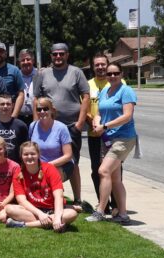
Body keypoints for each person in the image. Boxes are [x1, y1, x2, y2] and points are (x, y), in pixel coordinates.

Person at [33, 43, 90, 207]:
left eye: (61, 54)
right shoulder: (43, 74)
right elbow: (36, 98)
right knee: (45, 160)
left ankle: (77, 198)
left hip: (71, 125)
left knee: (72, 162)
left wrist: (79, 123)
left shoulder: (76, 72)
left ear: (67, 55)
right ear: (50, 56)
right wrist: (37, 121)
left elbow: (85, 97)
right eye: (55, 54)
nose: (58, 57)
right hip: (47, 125)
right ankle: (46, 195)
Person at [86, 63, 138, 224]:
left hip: (123, 138)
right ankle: (123, 214)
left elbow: (127, 116)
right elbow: (99, 112)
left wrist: (106, 126)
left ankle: (100, 211)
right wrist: (96, 122)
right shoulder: (105, 91)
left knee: (103, 171)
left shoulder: (126, 91)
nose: (112, 76)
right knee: (115, 178)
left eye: (116, 73)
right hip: (108, 139)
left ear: (122, 74)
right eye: (110, 73)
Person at [4, 142, 78, 231]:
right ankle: (53, 222)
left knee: (72, 213)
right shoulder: (18, 173)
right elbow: (22, 201)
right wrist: (40, 214)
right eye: (26, 154)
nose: (29, 157)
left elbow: (58, 196)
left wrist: (58, 216)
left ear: (38, 154)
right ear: (21, 156)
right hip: (33, 210)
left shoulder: (50, 168)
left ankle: (24, 225)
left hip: (52, 209)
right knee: (9, 209)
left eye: (33, 154)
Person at [86, 53, 121, 215]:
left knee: (115, 170)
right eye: (97, 64)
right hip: (95, 135)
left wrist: (106, 126)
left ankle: (116, 204)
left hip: (114, 135)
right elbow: (84, 109)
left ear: (107, 65)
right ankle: (103, 204)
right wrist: (94, 123)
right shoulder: (88, 85)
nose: (100, 67)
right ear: (93, 67)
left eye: (103, 64)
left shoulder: (118, 83)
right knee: (96, 169)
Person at [28, 97, 74, 190]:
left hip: (60, 165)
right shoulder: (32, 126)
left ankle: (56, 195)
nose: (42, 111)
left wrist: (47, 166)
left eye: (45, 109)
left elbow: (68, 156)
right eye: (39, 109)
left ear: (52, 110)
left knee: (50, 176)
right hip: (39, 167)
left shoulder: (61, 128)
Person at [0, 94, 29, 163]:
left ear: (13, 105)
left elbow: (25, 148)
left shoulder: (21, 126)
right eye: (2, 104)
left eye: (8, 104)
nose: (5, 106)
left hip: (16, 166)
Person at [0, 42, 25, 118]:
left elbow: (21, 94)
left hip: (9, 115)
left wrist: (14, 116)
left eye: (1, 52)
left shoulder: (14, 70)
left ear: (5, 54)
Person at [18, 49, 37, 125]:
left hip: (36, 116)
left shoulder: (40, 74)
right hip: (19, 117)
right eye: (23, 60)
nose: (25, 62)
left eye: (28, 59)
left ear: (33, 61)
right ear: (19, 62)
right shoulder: (16, 76)